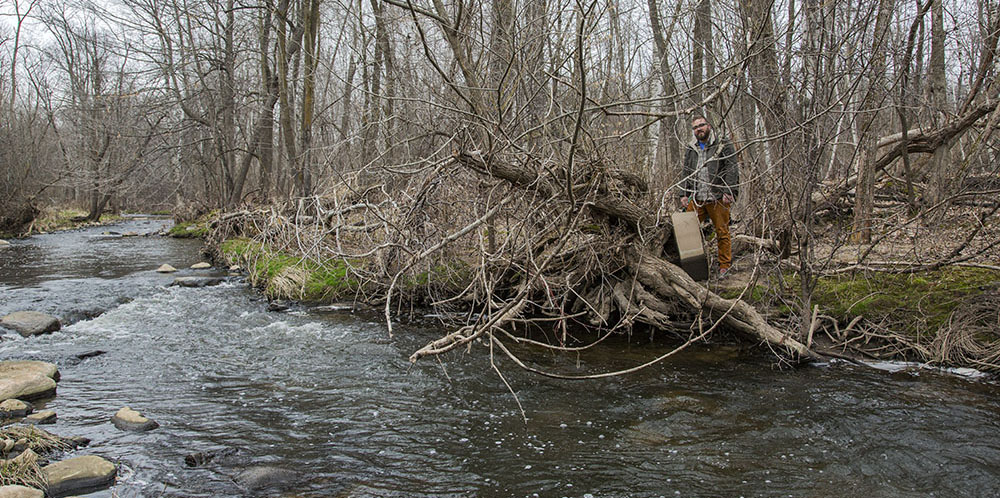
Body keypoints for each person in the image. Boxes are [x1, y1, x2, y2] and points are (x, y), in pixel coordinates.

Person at [678, 115, 739, 276]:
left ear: (709, 126)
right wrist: (683, 194)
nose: (699, 129)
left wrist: (729, 191)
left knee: (722, 231)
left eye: (702, 125)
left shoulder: (722, 144)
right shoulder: (692, 148)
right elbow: (686, 171)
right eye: (695, 127)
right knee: (687, 231)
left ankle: (724, 265)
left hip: (718, 197)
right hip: (697, 197)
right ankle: (694, 269)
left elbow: (732, 168)